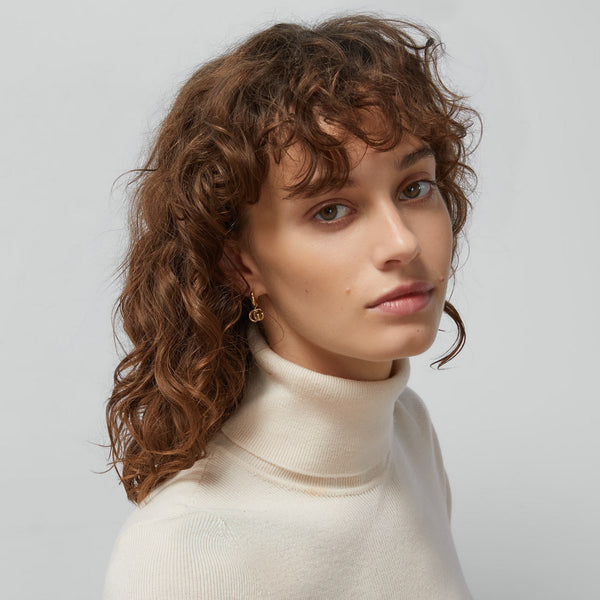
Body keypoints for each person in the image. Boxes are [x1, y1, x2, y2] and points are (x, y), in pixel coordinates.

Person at [103, 14, 479, 599]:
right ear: (238, 263)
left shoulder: (407, 434)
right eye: (331, 210)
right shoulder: (184, 555)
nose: (403, 242)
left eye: (414, 188)